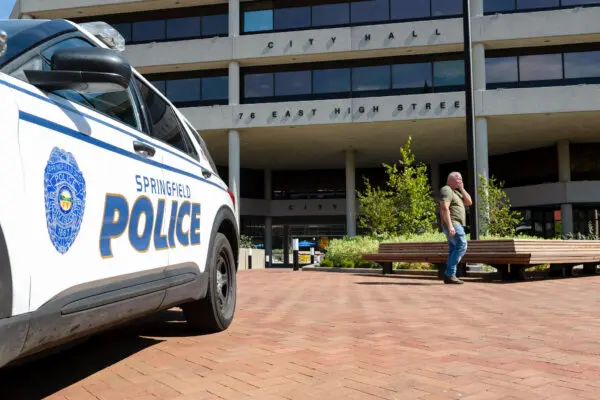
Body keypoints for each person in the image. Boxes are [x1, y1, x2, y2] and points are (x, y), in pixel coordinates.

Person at [439, 172, 472, 284]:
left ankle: (450, 274)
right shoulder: (447, 189)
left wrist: (462, 188)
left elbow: (469, 202)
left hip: (456, 224)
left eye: (461, 178)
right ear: (450, 179)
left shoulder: (456, 192)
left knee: (454, 249)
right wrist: (450, 226)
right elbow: (444, 208)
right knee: (462, 245)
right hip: (453, 223)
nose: (460, 179)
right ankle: (449, 274)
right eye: (457, 178)